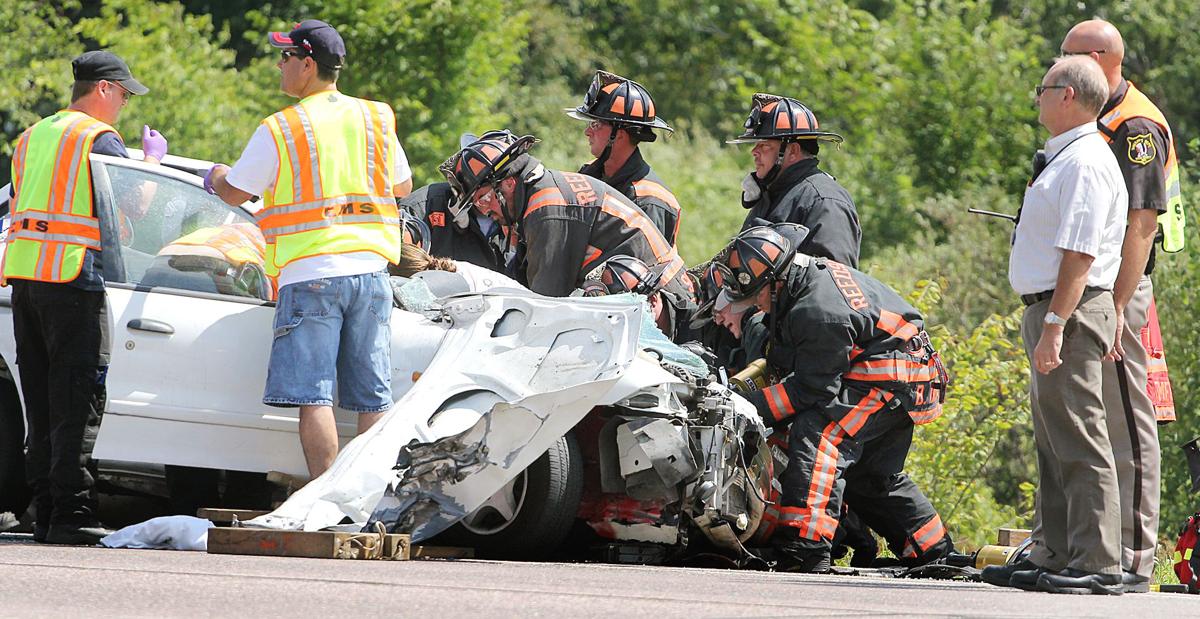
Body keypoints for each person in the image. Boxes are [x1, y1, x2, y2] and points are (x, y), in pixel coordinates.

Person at [204, 20, 411, 479]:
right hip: (371, 272)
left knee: (314, 397)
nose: (279, 65)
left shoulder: (282, 127)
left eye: (285, 57)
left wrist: (214, 175)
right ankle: (368, 499)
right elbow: (402, 185)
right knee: (372, 398)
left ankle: (325, 498)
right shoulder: (376, 117)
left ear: (308, 64)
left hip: (312, 275)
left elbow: (235, 192)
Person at [711, 226, 952, 572]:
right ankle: (933, 551)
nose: (755, 306)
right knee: (870, 477)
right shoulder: (803, 282)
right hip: (900, 375)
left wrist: (746, 407)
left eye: (755, 296)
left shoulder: (818, 309)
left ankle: (805, 546)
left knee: (821, 432)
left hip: (892, 376)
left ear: (775, 283)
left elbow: (811, 390)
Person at [1, 50, 167, 545]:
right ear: (104, 89)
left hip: (27, 281)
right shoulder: (98, 137)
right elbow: (133, 205)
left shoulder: (32, 136)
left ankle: (45, 510)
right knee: (77, 402)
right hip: (73, 281)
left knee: (42, 402)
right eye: (124, 95)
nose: (125, 105)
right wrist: (151, 162)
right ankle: (72, 514)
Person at [985, 56, 1128, 595]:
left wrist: (1054, 323)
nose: (1037, 97)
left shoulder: (1086, 160)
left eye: (1042, 88)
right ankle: (1057, 552)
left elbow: (1080, 254)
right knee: (1053, 438)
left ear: (1067, 94)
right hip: (1053, 308)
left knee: (1080, 437)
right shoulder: (1068, 155)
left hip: (1069, 309)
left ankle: (1098, 561)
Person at [1060, 19, 1183, 592]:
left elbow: (1142, 225)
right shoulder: (1097, 115)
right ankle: (1081, 549)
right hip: (1090, 289)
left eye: (1065, 55)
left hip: (1119, 292)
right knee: (1085, 421)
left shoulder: (1135, 125)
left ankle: (1133, 556)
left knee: (1129, 423)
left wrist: (1116, 304)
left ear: (1098, 58)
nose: (1055, 66)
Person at [443, 130, 694, 302]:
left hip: (666, 304)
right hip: (653, 298)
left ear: (508, 184)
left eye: (483, 198)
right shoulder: (540, 195)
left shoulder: (547, 209)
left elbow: (545, 303)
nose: (484, 210)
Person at [728, 93, 861, 267]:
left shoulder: (825, 201)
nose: (754, 151)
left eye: (765, 145)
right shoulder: (773, 193)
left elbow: (834, 277)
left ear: (792, 151)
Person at [567, 70, 682, 246]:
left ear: (619, 134)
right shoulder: (588, 174)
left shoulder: (649, 200)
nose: (587, 132)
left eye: (595, 124)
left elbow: (644, 261)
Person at [399, 181, 506, 271]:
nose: (485, 205)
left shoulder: (513, 214)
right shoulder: (421, 207)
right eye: (482, 198)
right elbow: (404, 268)